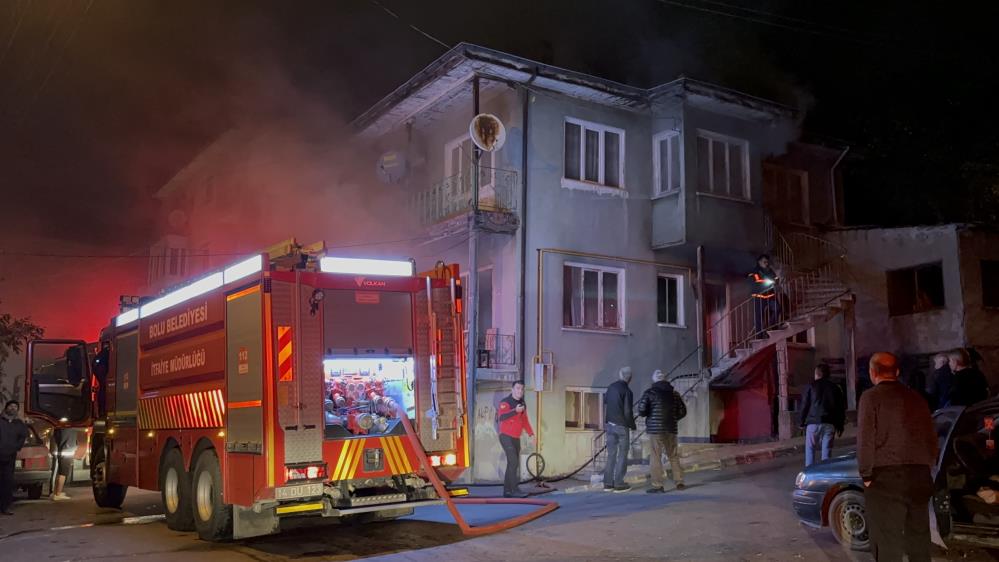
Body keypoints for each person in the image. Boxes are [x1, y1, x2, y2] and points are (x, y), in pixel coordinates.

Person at [858, 352, 938, 562]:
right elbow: (931, 436)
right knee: (919, 537)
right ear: (897, 372)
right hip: (919, 475)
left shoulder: (870, 397)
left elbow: (866, 439)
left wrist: (866, 474)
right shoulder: (917, 398)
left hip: (886, 477)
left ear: (873, 373)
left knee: (887, 541)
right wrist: (928, 465)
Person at [637, 370, 687, 493]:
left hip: (655, 430)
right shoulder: (674, 394)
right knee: (673, 456)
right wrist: (673, 419)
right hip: (671, 429)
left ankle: (657, 485)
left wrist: (650, 414)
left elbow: (641, 411)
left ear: (654, 379)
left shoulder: (650, 393)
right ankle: (679, 482)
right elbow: (682, 412)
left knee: (656, 457)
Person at [799, 364, 846, 467]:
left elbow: (804, 405)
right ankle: (825, 477)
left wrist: (801, 423)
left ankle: (810, 476)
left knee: (810, 450)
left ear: (816, 374)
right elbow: (840, 408)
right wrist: (840, 426)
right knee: (827, 454)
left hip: (812, 424)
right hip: (829, 424)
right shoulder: (835, 388)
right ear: (828, 375)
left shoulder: (811, 386)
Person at [496, 380, 534, 498]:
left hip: (516, 437)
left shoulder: (522, 404)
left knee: (512, 464)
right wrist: (514, 411)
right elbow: (502, 417)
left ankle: (507, 491)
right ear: (512, 390)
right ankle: (514, 490)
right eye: (517, 388)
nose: (520, 391)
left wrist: (531, 434)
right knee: (514, 462)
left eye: (522, 389)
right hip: (505, 436)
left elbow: (525, 420)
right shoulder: (505, 402)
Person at [602, 367, 636, 493]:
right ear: (630, 378)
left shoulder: (611, 387)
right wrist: (632, 425)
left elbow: (605, 401)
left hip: (610, 425)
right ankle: (619, 483)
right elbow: (627, 411)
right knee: (622, 454)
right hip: (622, 426)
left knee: (611, 454)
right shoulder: (627, 391)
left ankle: (607, 483)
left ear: (620, 375)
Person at [0, 400, 29, 515]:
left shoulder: (19, 424)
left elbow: (23, 437)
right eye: (11, 406)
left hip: (10, 457)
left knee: (7, 483)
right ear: (6, 408)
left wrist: (16, 447)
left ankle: (5, 507)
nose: (13, 408)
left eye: (15, 407)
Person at [748, 254, 780, 337]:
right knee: (759, 317)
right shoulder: (755, 271)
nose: (766, 263)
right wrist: (769, 281)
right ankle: (759, 335)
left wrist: (776, 281)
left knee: (777, 308)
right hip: (759, 297)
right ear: (759, 262)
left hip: (770, 295)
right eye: (764, 262)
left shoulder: (770, 270)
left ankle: (771, 326)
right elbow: (758, 280)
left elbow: (775, 278)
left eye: (767, 262)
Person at [51, 428, 77, 501]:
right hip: (67, 452)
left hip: (62, 451)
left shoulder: (58, 428)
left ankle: (56, 492)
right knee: (63, 473)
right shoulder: (68, 428)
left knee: (60, 472)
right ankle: (58, 494)